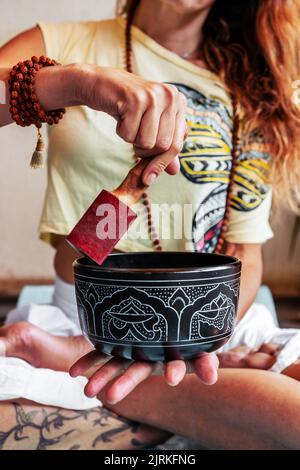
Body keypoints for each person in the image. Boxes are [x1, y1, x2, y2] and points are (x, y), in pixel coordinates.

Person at [0, 0, 300, 449]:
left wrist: (197, 340)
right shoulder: (62, 42)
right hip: (89, 318)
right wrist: (77, 83)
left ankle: (111, 384)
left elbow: (244, 253)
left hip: (210, 322)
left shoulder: (253, 86)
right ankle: (199, 401)